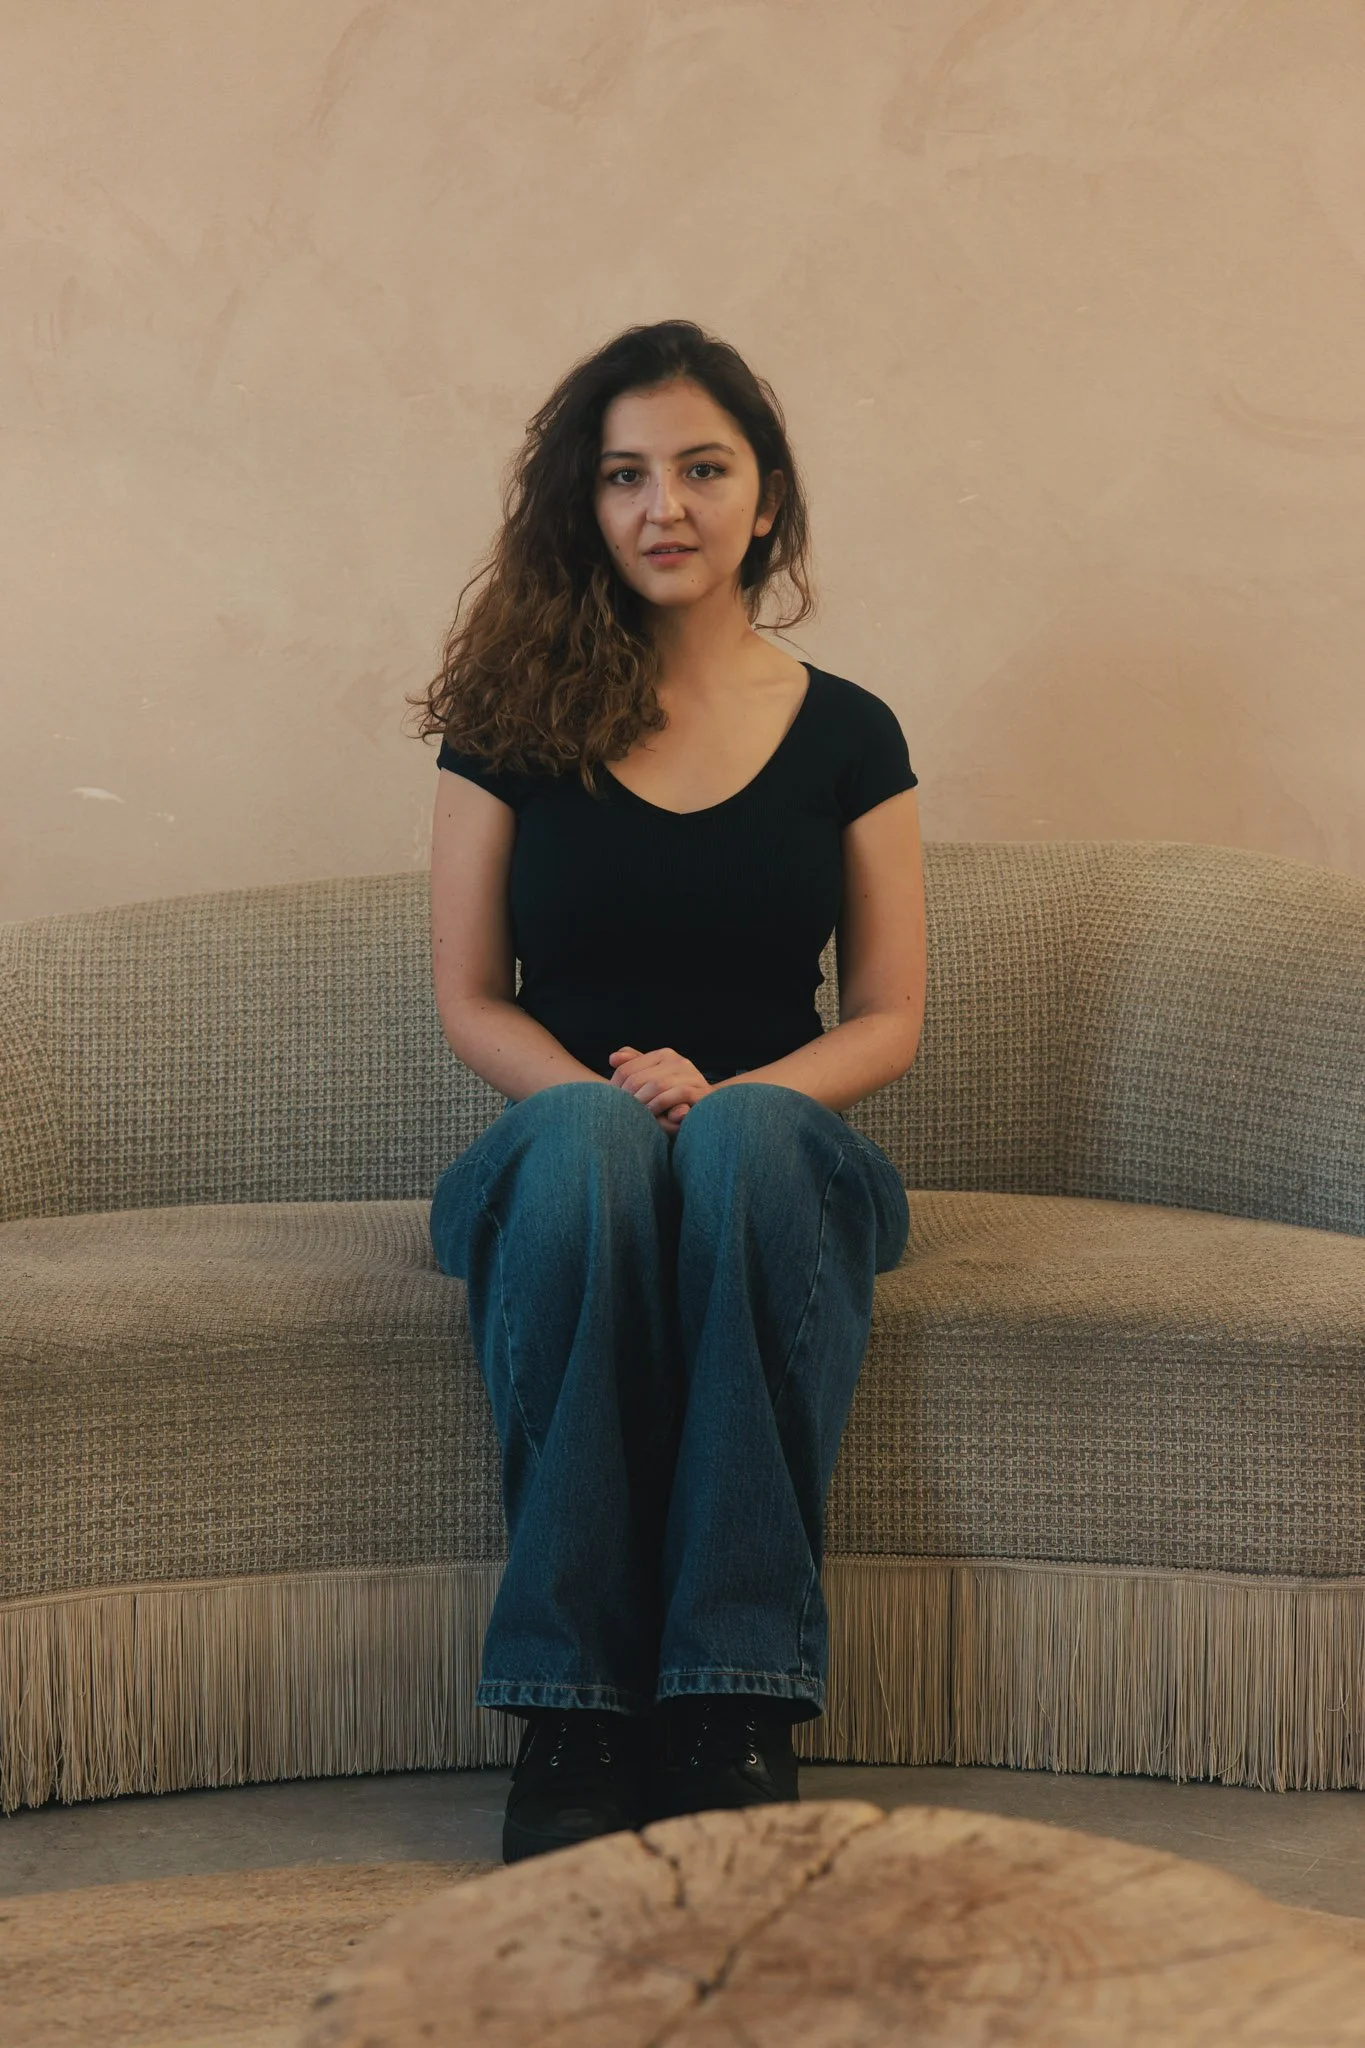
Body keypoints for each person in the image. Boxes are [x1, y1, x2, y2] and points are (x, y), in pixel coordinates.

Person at [410, 318, 926, 1864]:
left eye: (703, 468)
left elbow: (891, 1015)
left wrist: (729, 1098)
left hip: (778, 1159)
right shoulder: (505, 723)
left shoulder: (850, 733)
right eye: (626, 474)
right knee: (579, 1143)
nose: (665, 506)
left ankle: (732, 1705)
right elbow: (467, 1000)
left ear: (764, 499)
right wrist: (615, 1101)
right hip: (560, 1155)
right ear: (588, 503)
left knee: (756, 1137)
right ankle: (573, 1714)